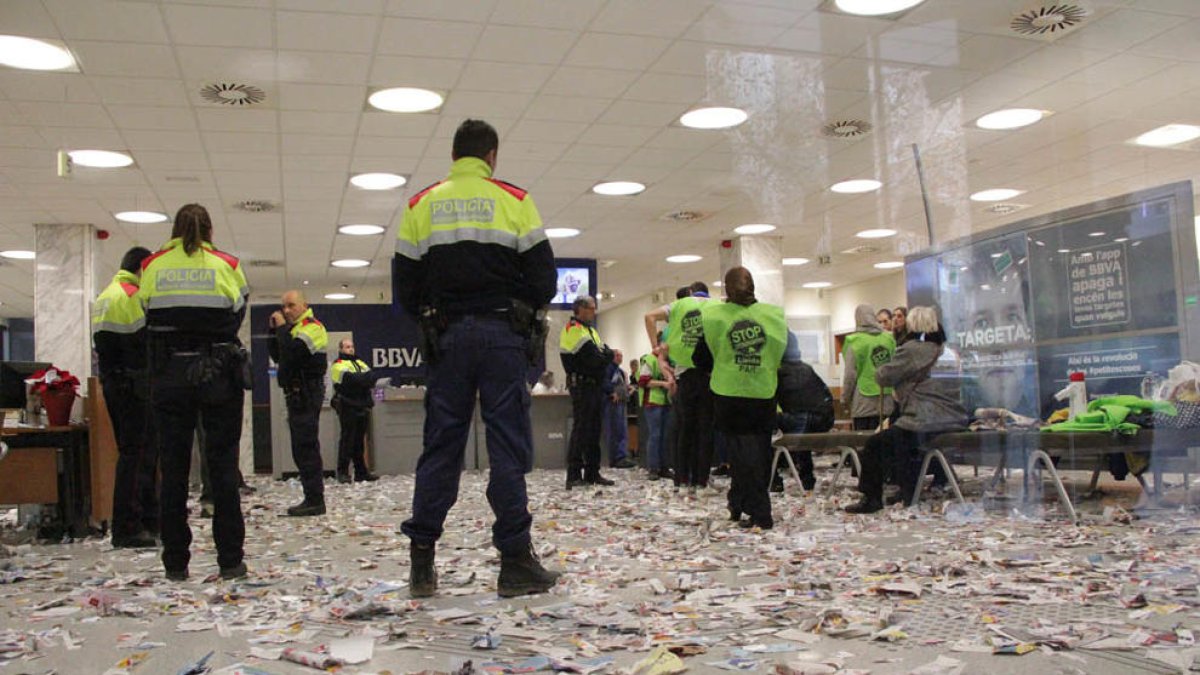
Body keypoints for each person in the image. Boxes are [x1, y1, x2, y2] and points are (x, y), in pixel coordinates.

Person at [394, 118, 560, 599]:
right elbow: (545, 279)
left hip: (446, 338)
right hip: (502, 335)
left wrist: (436, 309)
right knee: (507, 447)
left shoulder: (420, 204)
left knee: (441, 446)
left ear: (454, 156)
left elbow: (404, 285)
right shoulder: (514, 200)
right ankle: (514, 563)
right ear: (491, 157)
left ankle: (422, 563)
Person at [139, 203, 248, 581]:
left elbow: (145, 315)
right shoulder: (227, 265)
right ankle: (230, 560)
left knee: (173, 472)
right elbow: (237, 313)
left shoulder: (151, 266)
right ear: (210, 230)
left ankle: (175, 563)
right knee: (222, 469)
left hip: (169, 376)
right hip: (217, 376)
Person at [845, 307, 968, 514]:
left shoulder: (912, 349)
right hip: (954, 418)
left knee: (875, 445)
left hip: (923, 418)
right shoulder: (948, 352)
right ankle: (910, 490)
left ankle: (873, 497)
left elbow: (883, 376)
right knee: (904, 444)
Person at [693, 267, 787, 529]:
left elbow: (699, 358)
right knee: (758, 453)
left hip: (730, 395)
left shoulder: (716, 317)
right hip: (763, 393)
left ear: (727, 289)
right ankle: (738, 504)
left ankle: (758, 510)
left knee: (741, 457)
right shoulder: (773, 316)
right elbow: (783, 355)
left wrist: (723, 362)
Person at [93, 246, 157, 549]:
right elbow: (141, 346)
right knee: (138, 455)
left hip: (112, 384)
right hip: (134, 386)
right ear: (142, 269)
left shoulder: (106, 295)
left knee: (129, 452)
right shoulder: (131, 296)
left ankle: (139, 520)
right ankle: (130, 526)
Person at [643, 281, 714, 492]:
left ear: (690, 293)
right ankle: (701, 478)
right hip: (709, 376)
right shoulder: (717, 307)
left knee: (685, 430)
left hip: (684, 377)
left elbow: (649, 317)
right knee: (705, 430)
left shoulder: (679, 306)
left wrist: (655, 349)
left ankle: (682, 478)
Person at [268, 290, 328, 517]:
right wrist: (274, 331)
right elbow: (278, 356)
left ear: (305, 305)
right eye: (283, 306)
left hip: (307, 392)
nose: (286, 310)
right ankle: (311, 497)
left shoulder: (313, 327)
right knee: (300, 448)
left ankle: (315, 500)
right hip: (295, 394)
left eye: (291, 305)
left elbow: (293, 355)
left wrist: (282, 329)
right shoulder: (292, 330)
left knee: (306, 447)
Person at [561, 296, 618, 488]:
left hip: (595, 386)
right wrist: (605, 356)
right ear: (580, 309)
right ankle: (574, 475)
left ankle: (592, 473)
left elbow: (606, 355)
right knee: (581, 430)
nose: (594, 312)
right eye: (592, 308)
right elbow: (596, 360)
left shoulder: (591, 331)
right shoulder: (573, 330)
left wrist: (605, 356)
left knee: (594, 431)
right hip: (582, 386)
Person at [776, 331, 835, 491]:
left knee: (764, 425)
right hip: (823, 418)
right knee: (801, 425)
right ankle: (806, 477)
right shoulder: (807, 369)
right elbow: (825, 395)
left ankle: (774, 478)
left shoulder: (778, 371)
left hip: (802, 420)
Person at [330, 337, 378, 484]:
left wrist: (361, 380)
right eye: (347, 347)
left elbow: (372, 378)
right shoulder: (337, 365)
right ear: (341, 349)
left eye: (352, 346)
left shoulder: (360, 363)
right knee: (347, 440)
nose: (350, 349)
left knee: (359, 441)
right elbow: (350, 381)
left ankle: (361, 472)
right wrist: (362, 380)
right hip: (347, 405)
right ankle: (343, 472)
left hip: (362, 405)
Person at [842, 304, 896, 430]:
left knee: (864, 443)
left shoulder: (854, 341)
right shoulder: (889, 339)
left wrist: (845, 399)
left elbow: (850, 375)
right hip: (887, 400)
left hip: (863, 401)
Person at [639, 341, 673, 481]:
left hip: (665, 402)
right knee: (655, 435)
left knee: (664, 436)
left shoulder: (665, 362)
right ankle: (653, 468)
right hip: (652, 402)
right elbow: (644, 381)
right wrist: (664, 384)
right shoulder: (649, 360)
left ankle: (664, 467)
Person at [602, 352, 635, 469]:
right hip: (613, 403)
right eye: (617, 355)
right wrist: (612, 392)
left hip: (621, 401)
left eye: (621, 355)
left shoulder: (620, 371)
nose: (620, 357)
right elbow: (604, 382)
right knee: (615, 430)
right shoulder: (608, 369)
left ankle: (622, 455)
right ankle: (616, 457)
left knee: (622, 430)